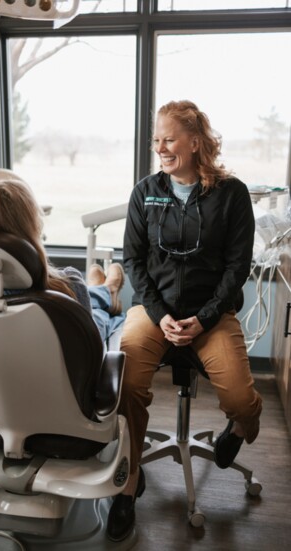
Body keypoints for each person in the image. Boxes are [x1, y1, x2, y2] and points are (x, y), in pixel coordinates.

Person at [106, 99, 263, 542]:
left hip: (211, 315)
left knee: (238, 397)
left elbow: (237, 268)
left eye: (169, 139)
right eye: (156, 140)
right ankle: (127, 485)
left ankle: (240, 424)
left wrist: (205, 317)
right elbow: (134, 262)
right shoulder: (145, 191)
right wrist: (160, 315)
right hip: (153, 314)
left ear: (195, 143)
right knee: (127, 381)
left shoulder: (230, 194)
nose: (160, 147)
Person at [0, 179, 125, 346]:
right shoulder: (67, 288)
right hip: (50, 391)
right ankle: (107, 290)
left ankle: (104, 290)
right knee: (99, 318)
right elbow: (89, 351)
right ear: (32, 230)